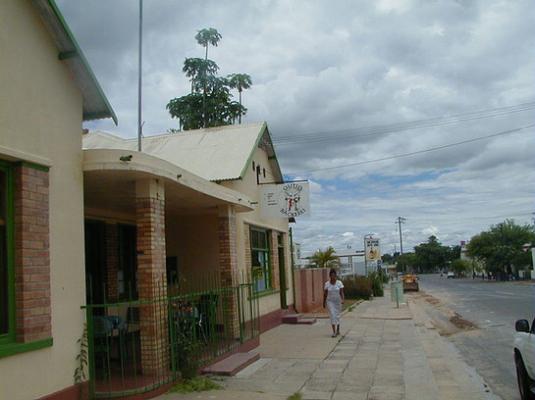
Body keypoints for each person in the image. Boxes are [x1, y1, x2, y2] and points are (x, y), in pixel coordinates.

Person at [323, 268, 345, 337]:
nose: (333, 277)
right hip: (330, 301)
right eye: (331, 275)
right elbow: (325, 294)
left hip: (338, 302)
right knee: (332, 315)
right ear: (330, 276)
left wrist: (343, 299)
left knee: (337, 316)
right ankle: (334, 332)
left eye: (334, 275)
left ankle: (338, 330)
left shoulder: (339, 283)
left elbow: (342, 292)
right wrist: (323, 302)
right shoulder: (327, 284)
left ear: (336, 276)